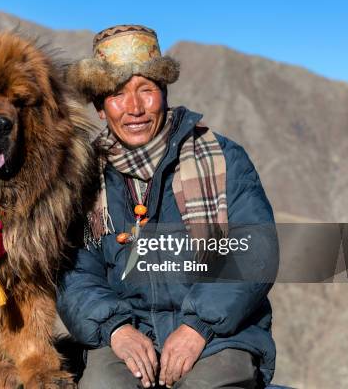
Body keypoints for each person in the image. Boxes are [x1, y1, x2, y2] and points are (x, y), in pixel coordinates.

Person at [58, 25, 278, 389]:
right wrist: (115, 328)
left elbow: (255, 249)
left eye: (146, 89)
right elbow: (74, 269)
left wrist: (198, 327)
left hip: (218, 335)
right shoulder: (83, 177)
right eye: (116, 94)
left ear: (163, 92)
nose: (134, 108)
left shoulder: (223, 158)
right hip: (127, 335)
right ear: (100, 107)